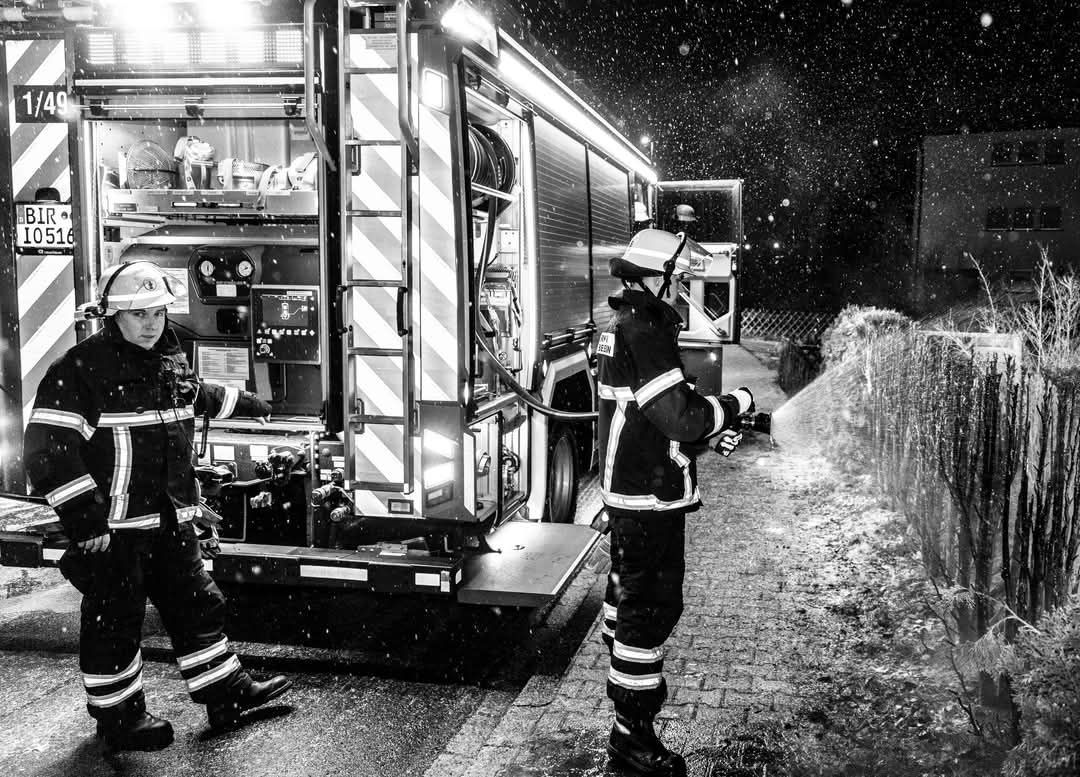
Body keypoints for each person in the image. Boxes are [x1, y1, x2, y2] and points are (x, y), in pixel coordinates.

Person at [23, 261, 292, 755]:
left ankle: (224, 693)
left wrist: (249, 404)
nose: (151, 323)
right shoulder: (81, 370)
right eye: (140, 314)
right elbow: (49, 449)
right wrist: (85, 521)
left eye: (159, 313)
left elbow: (196, 397)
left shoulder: (166, 358)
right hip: (115, 530)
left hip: (169, 519)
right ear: (113, 315)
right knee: (115, 620)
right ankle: (119, 718)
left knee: (198, 604)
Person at [597, 229, 755, 777]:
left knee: (630, 603)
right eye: (680, 275)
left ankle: (626, 720)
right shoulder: (645, 330)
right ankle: (632, 740)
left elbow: (651, 417)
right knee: (650, 609)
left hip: (635, 492)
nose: (684, 284)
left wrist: (703, 438)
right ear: (656, 274)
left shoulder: (626, 324)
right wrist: (735, 404)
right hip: (647, 499)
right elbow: (679, 415)